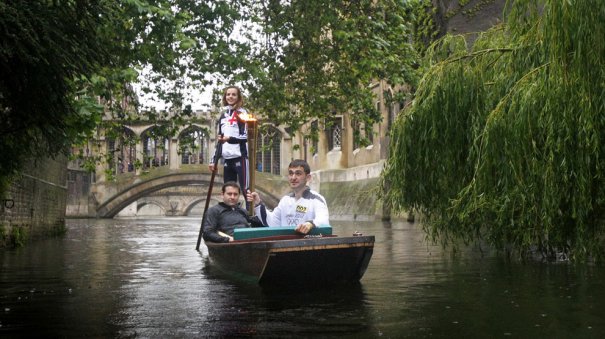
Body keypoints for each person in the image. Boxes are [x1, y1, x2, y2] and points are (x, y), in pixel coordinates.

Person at [247, 159, 329, 234]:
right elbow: (272, 223)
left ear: (308, 177)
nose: (293, 178)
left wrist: (310, 224)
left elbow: (323, 220)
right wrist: (258, 203)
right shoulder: (285, 200)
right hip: (286, 245)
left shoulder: (316, 199)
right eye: (291, 173)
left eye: (298, 173)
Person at [209, 86, 250, 207]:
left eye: (233, 94)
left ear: (238, 97)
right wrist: (213, 161)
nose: (230, 97)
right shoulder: (223, 116)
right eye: (228, 94)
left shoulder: (243, 114)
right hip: (227, 159)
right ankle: (229, 216)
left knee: (245, 189)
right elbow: (220, 141)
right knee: (228, 191)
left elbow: (246, 137)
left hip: (240, 157)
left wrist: (230, 139)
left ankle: (251, 217)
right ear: (225, 97)